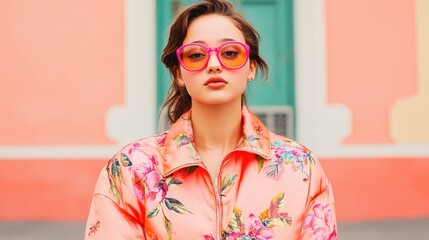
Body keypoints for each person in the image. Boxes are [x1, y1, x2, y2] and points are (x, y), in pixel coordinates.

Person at [84, 0, 337, 239]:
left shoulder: (302, 169)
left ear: (250, 67)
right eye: (196, 55)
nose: (214, 64)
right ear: (178, 73)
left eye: (230, 53)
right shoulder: (130, 169)